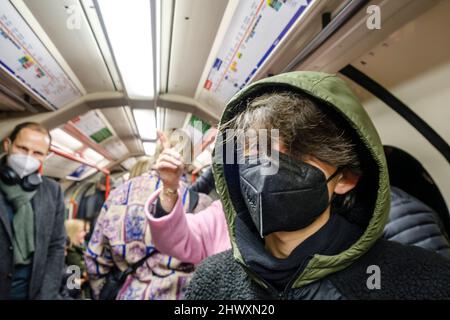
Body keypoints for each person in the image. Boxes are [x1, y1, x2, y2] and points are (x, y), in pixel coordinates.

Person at [145, 71, 450, 299]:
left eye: (300, 152)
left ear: (345, 178)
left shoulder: (424, 282)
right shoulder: (211, 283)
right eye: (258, 149)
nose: (270, 169)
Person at [84, 131, 212, 300]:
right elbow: (212, 267)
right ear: (187, 160)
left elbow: (95, 259)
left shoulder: (118, 195)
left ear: (158, 153)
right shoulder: (201, 203)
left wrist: (103, 292)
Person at [0, 122, 66, 300]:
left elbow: (56, 247)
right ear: (7, 145)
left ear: (46, 156)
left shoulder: (52, 191)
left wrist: (47, 295)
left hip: (32, 292)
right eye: (22, 148)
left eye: (37, 153)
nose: (28, 157)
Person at [64, 219, 90, 298]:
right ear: (73, 233)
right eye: (81, 231)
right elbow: (86, 274)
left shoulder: (80, 248)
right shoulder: (72, 253)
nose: (85, 233)